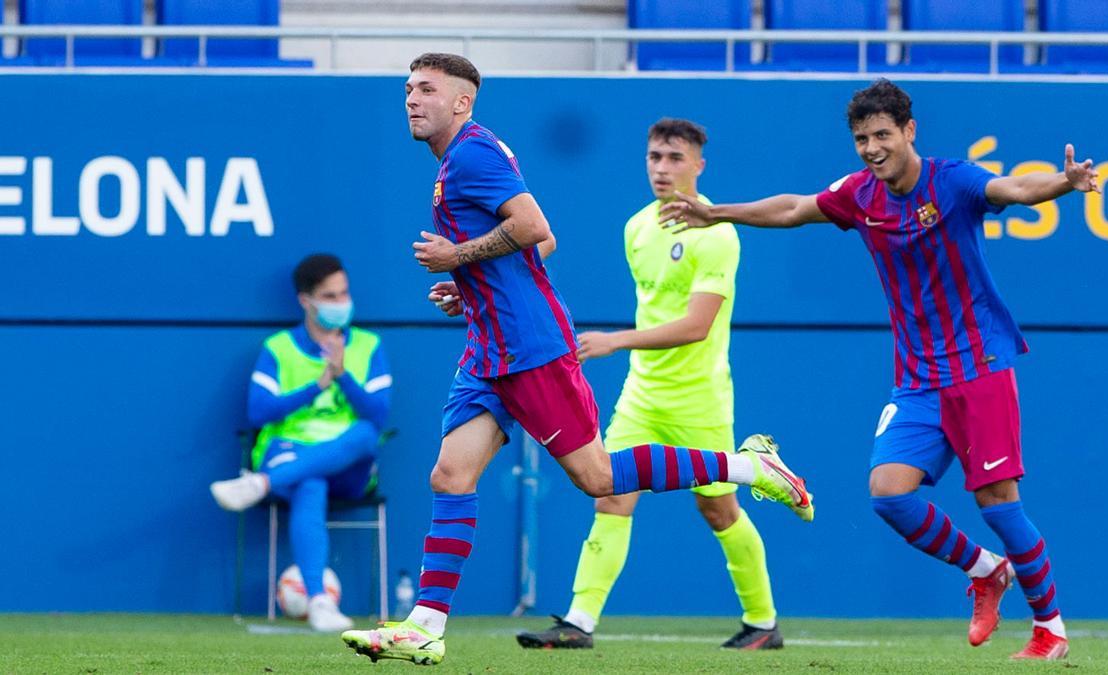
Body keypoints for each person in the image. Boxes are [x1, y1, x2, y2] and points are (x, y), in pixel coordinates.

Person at [339, 53, 813, 666]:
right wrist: (471, 284)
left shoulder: (472, 154)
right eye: (407, 88)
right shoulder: (463, 159)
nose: (411, 98)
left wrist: (459, 258)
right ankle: (426, 625)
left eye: (426, 89)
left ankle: (750, 467)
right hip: (489, 349)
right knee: (450, 476)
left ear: (461, 102)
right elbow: (541, 239)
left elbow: (533, 227)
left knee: (598, 478)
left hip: (530, 347)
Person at [661, 79, 1098, 661]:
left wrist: (1063, 184)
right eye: (862, 138)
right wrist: (718, 213)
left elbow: (1013, 188)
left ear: (909, 131)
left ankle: (1051, 631)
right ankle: (986, 571)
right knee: (889, 494)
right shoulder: (860, 195)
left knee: (999, 501)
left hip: (980, 367)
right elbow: (795, 207)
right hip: (918, 380)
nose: (871, 148)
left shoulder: (953, 180)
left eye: (882, 135)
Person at [515, 118, 782, 651]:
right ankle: (578, 623)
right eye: (655, 157)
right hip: (642, 395)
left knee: (719, 509)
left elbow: (696, 326)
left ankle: (763, 623)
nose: (662, 168)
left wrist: (615, 342)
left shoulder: (718, 234)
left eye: (675, 158)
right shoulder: (636, 228)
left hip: (701, 397)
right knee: (610, 496)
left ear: (699, 165)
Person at [209, 253, 393, 632]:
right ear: (305, 301)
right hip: (289, 453)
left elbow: (377, 413)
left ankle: (259, 484)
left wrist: (342, 375)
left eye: (344, 294)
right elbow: (258, 413)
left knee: (364, 434)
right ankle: (320, 602)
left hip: (349, 466)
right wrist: (316, 385)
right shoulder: (278, 348)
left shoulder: (368, 346)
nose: (341, 303)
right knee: (311, 482)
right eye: (330, 296)